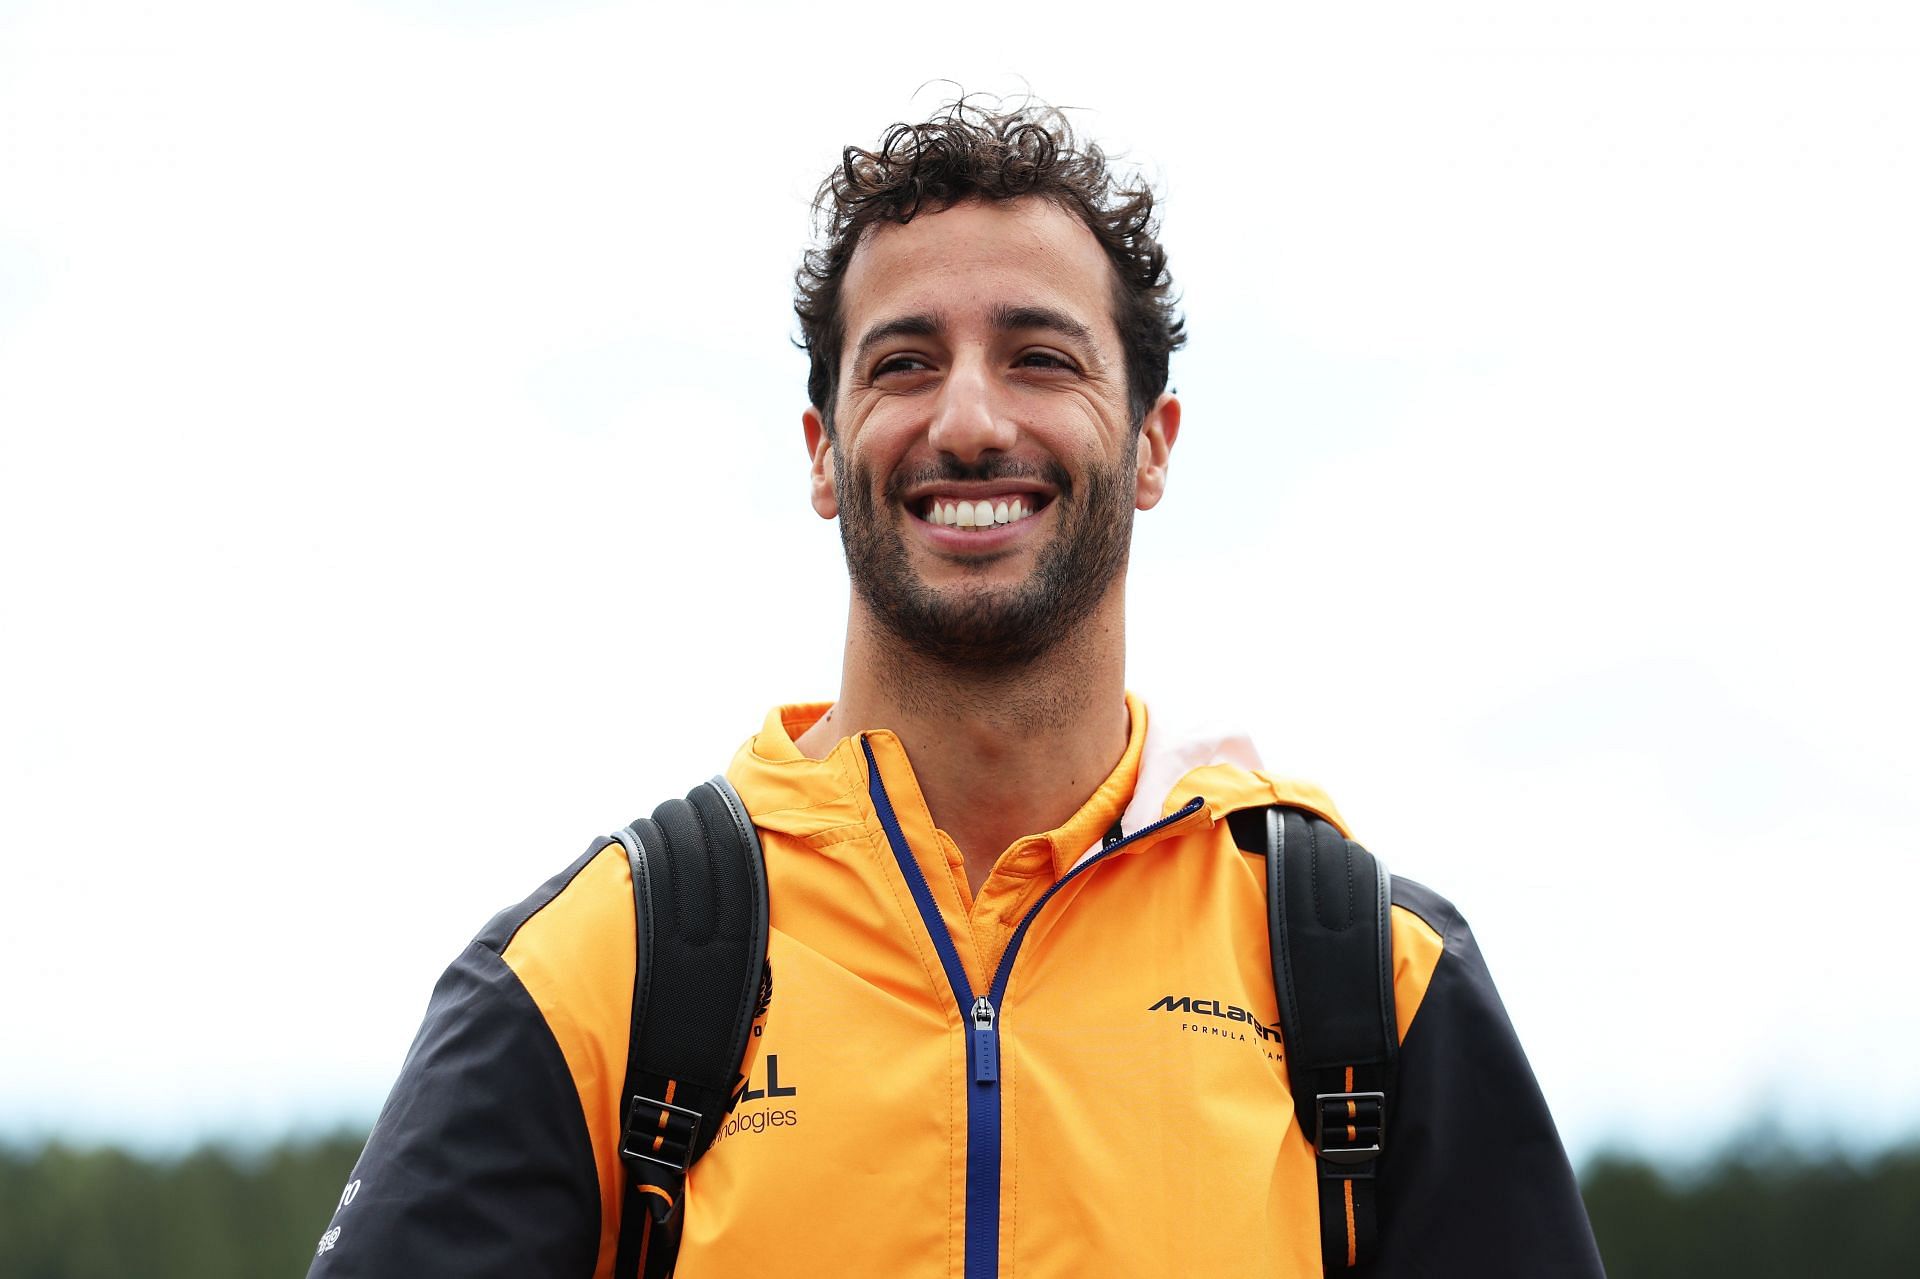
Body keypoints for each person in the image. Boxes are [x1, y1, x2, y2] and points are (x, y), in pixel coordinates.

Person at [308, 97, 1605, 1278]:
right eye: (905, 363)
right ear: (823, 455)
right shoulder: (593, 976)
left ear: (1153, 443)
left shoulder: (1366, 978)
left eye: (1040, 357)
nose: (971, 420)